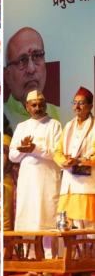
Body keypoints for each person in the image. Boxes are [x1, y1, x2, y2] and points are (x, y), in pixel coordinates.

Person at [10, 90, 62, 260]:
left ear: (45, 105)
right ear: (27, 107)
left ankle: (50, 261)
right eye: (34, 105)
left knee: (48, 218)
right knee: (28, 218)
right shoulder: (21, 127)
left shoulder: (54, 125)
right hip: (27, 181)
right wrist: (23, 151)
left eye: (41, 104)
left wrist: (35, 149)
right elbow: (12, 156)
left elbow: (57, 153)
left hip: (47, 180)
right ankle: (30, 261)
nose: (38, 108)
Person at [54, 87, 95, 237]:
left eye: (81, 103)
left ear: (90, 106)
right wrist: (63, 162)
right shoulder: (69, 126)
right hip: (68, 185)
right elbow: (57, 152)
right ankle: (75, 259)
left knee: (89, 228)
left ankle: (90, 259)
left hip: (86, 186)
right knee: (70, 228)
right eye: (75, 102)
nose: (77, 106)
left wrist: (79, 161)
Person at [4, 28, 59, 129]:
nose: (31, 69)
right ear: (7, 75)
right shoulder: (3, 117)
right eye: (22, 60)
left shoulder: (61, 117)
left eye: (37, 56)